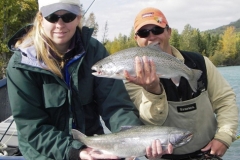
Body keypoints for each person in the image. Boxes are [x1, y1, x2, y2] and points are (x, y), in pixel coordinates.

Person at [6, 1, 171, 160]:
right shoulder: (21, 64)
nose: (60, 24)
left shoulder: (95, 51)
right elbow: (32, 128)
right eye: (52, 17)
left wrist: (139, 140)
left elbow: (115, 106)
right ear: (41, 19)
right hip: (46, 154)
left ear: (78, 18)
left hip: (94, 148)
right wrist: (75, 151)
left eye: (68, 17)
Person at [124, 7, 239, 160]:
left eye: (157, 30)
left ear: (169, 32)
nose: (151, 36)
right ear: (136, 39)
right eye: (144, 33)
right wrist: (152, 90)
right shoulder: (131, 78)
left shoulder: (200, 63)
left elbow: (225, 100)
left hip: (208, 153)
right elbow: (150, 121)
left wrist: (224, 137)